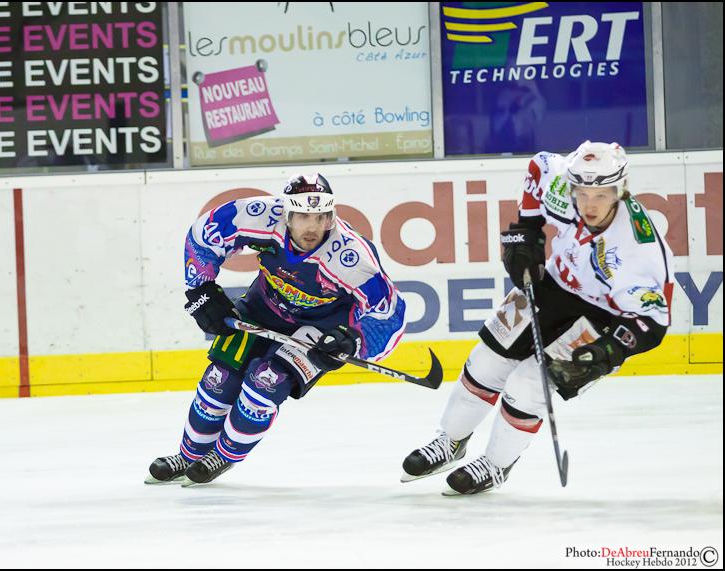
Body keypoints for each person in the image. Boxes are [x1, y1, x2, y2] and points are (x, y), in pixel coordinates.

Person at [401, 141, 675, 495]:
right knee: (486, 361)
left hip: (605, 316)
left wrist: (609, 350)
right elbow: (539, 166)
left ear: (619, 191)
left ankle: (496, 464)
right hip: (553, 285)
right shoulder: (561, 179)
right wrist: (527, 231)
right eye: (582, 194)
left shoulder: (638, 248)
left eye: (601, 195)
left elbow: (653, 322)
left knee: (528, 384)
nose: (589, 204)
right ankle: (450, 441)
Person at [147, 173, 406, 485]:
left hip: (320, 329)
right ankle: (189, 456)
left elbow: (389, 312)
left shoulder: (351, 256)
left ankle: (223, 455)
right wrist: (200, 289)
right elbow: (204, 234)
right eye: (303, 216)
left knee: (266, 382)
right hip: (263, 308)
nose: (313, 227)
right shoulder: (259, 216)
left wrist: (352, 341)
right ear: (287, 214)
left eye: (321, 217)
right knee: (219, 379)